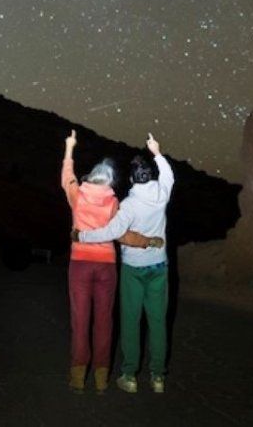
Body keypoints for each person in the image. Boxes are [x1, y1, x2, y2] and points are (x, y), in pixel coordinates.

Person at [73, 133, 174, 394]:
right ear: (150, 177)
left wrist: (82, 235)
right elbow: (168, 175)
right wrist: (157, 152)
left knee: (131, 321)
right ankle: (158, 377)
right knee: (158, 321)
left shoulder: (128, 205)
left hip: (133, 269)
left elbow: (109, 232)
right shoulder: (162, 194)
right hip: (160, 267)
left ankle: (129, 377)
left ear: (131, 179)